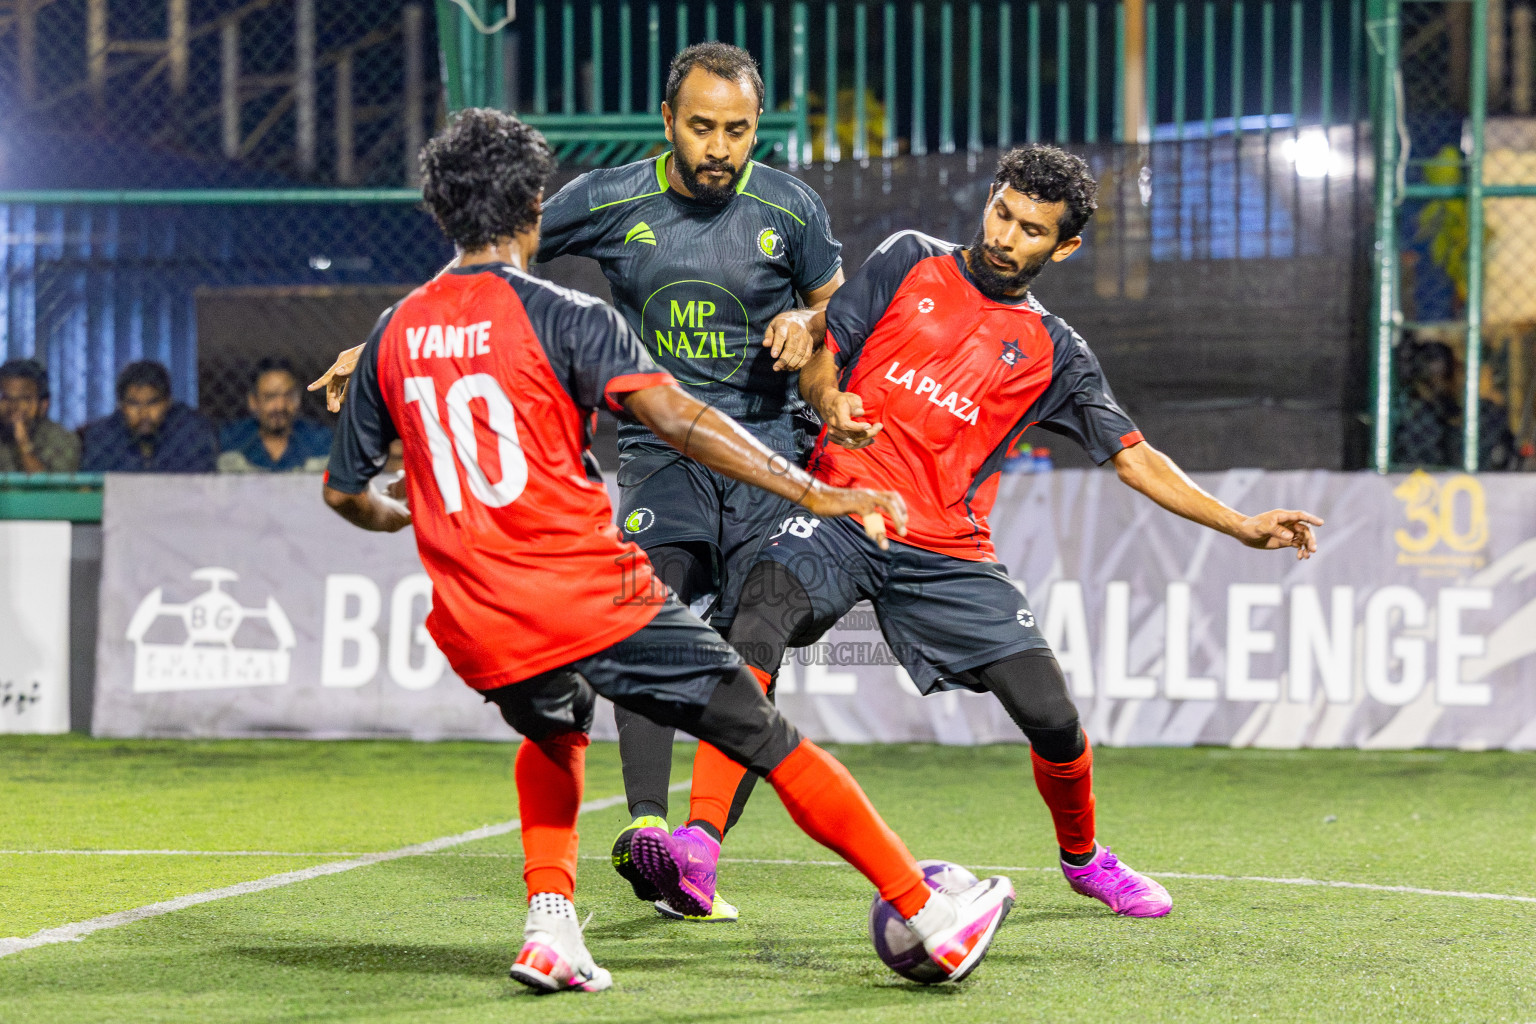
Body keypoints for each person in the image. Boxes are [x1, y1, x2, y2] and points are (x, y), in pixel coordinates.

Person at [321, 108, 1014, 994]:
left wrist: (405, 514)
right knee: (762, 733)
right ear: (536, 205)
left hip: (475, 621)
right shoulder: (567, 317)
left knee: (556, 726)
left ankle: (551, 928)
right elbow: (681, 420)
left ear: (436, 209)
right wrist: (821, 490)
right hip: (590, 594)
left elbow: (347, 494)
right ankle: (928, 913)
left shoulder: (394, 333)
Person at [653, 144, 1325, 923]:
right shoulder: (908, 259)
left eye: (1031, 230)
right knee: (755, 619)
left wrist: (1242, 524)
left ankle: (1085, 860)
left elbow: (1135, 459)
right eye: (1001, 213)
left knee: (1051, 716)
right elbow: (824, 355)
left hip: (948, 549)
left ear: (1064, 246)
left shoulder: (1055, 354)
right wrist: (831, 402)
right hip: (843, 507)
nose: (1005, 236)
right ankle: (697, 847)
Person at [311, 43, 847, 922]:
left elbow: (840, 307)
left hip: (764, 450)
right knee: (647, 607)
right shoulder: (608, 199)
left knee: (756, 631)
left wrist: (808, 316)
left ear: (758, 128)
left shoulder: (791, 207)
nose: (720, 147)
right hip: (659, 454)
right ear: (667, 122)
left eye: (739, 131)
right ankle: (646, 826)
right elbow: (483, 270)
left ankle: (698, 851)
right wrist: (376, 345)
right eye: (703, 127)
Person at [80, 361, 216, 473]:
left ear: (168, 403)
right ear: (121, 405)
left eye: (153, 403)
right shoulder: (102, 436)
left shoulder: (192, 432)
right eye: (134, 403)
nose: (144, 413)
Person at [218, 358, 332, 473]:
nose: (280, 406)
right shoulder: (234, 440)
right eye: (270, 397)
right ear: (253, 402)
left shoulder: (319, 440)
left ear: (298, 399)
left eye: (288, 396)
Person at [0, 359, 79, 473]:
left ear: (43, 405)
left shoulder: (63, 439)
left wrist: (24, 445)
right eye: (5, 398)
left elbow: (52, 489)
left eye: (24, 399)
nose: (13, 406)